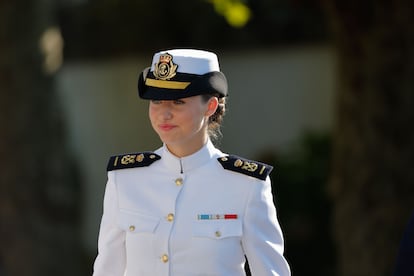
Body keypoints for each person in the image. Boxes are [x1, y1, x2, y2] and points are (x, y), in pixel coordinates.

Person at [93, 49, 291, 276]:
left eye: (178, 102)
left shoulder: (246, 185)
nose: (163, 114)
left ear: (210, 106)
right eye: (156, 100)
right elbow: (107, 269)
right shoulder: (125, 179)